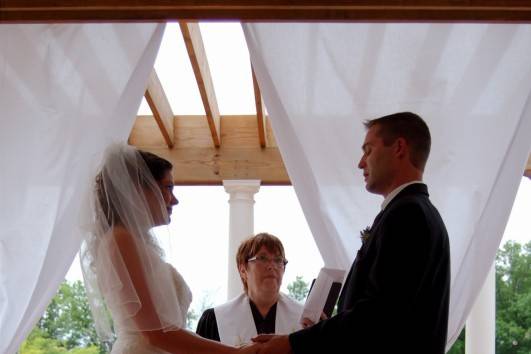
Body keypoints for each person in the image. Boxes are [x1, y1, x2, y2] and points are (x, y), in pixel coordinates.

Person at [253, 112, 451, 354]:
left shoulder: (407, 215)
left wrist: (292, 344)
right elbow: (392, 317)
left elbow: (379, 315)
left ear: (399, 147)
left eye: (368, 150)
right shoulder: (416, 211)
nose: (360, 162)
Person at [80, 143, 259, 354]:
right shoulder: (120, 241)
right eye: (168, 188)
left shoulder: (136, 243)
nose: (175, 200)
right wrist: (235, 353)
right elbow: (155, 333)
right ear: (139, 189)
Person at [196, 233, 303, 346]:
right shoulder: (215, 321)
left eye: (278, 260)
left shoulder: (305, 320)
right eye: (262, 258)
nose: (272, 266)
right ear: (243, 270)